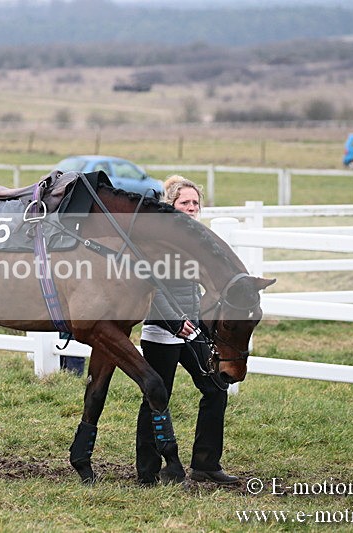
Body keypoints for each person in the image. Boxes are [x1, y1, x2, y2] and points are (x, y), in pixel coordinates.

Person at [135, 175, 238, 486]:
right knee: (156, 397)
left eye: (195, 203)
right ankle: (148, 471)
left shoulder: (198, 238)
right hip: (161, 332)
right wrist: (174, 321)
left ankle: (206, 463)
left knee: (216, 387)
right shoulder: (160, 240)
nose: (191, 207)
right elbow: (153, 285)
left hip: (192, 332)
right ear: (171, 206)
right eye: (185, 202)